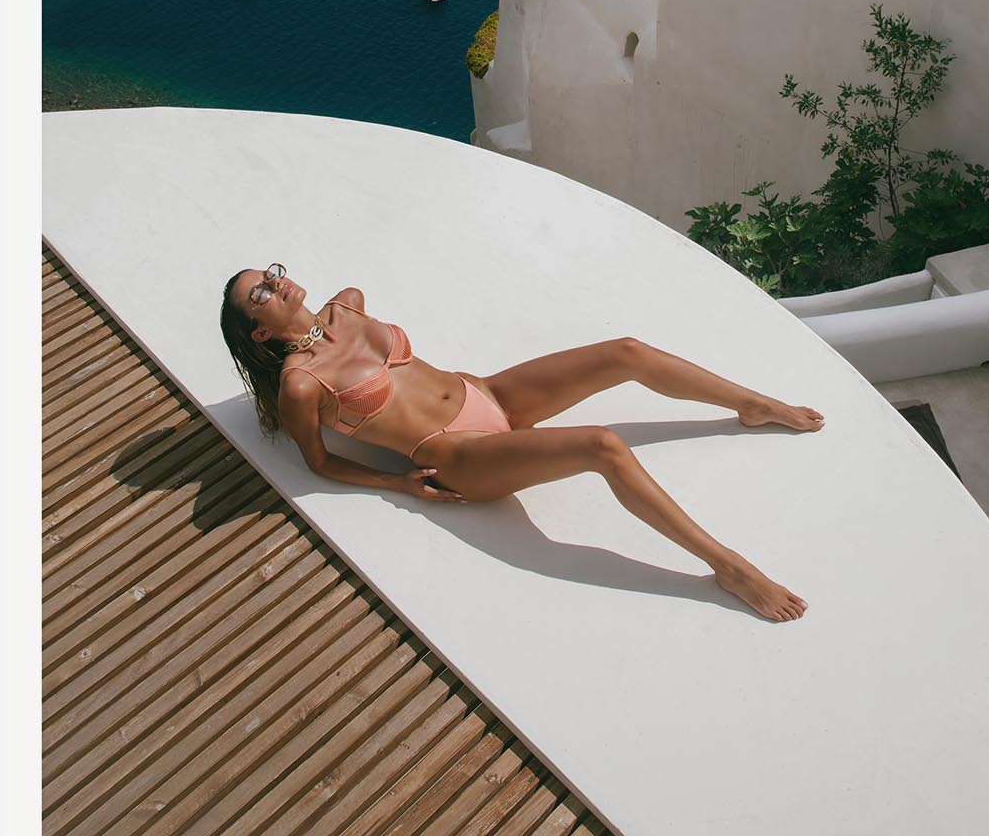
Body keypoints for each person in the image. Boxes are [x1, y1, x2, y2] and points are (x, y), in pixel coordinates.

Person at [219, 263, 817, 621]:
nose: (276, 285)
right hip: (455, 454)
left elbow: (354, 298)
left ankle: (752, 404)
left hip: (489, 394)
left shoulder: (344, 307)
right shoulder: (301, 385)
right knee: (603, 446)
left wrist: (335, 320)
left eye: (271, 275)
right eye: (261, 295)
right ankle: (729, 568)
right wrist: (396, 482)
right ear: (262, 331)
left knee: (625, 352)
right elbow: (319, 462)